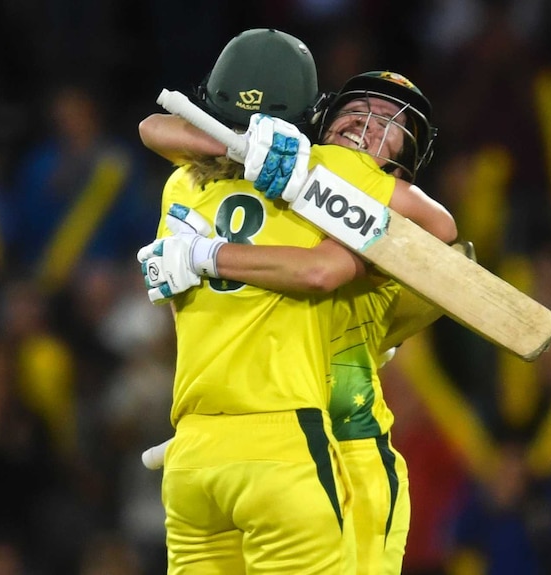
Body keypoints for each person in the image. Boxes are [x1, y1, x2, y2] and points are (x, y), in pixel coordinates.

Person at [138, 63, 460, 574]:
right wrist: (243, 146)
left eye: (387, 126)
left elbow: (436, 233)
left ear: (401, 166)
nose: (367, 123)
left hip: (350, 449)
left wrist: (204, 253)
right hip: (286, 445)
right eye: (357, 110)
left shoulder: (374, 207)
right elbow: (155, 130)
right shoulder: (274, 173)